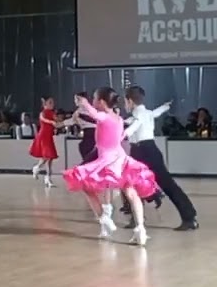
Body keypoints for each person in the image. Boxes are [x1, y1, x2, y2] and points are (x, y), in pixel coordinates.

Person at [64, 89, 158, 246]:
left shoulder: (105, 117)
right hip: (120, 158)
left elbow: (95, 115)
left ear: (101, 102)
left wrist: (85, 104)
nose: (93, 100)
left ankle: (104, 219)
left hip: (108, 160)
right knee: (130, 192)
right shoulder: (118, 118)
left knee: (86, 186)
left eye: (94, 98)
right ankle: (140, 230)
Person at [124, 86, 197, 231]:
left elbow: (133, 125)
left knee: (137, 184)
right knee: (134, 184)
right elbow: (155, 113)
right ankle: (188, 217)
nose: (125, 105)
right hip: (146, 150)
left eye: (125, 101)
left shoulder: (140, 114)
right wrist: (165, 106)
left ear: (130, 101)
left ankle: (187, 217)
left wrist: (123, 133)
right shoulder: (146, 113)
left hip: (144, 150)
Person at [28, 97, 64, 185]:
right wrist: (51, 122)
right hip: (43, 136)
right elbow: (44, 119)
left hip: (49, 137)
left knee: (50, 158)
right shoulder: (43, 113)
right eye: (50, 102)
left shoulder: (52, 113)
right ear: (45, 104)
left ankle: (48, 178)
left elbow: (57, 120)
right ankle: (37, 167)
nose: (52, 104)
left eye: (53, 102)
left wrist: (63, 119)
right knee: (47, 156)